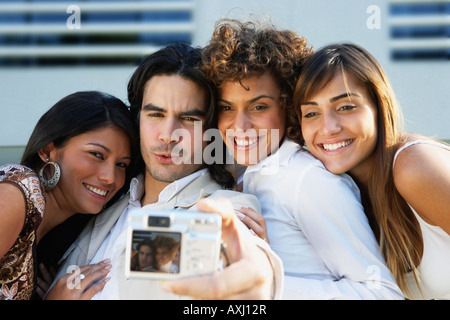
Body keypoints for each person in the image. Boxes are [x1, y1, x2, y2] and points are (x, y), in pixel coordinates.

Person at [48, 43, 283, 300]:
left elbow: (237, 255)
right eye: (156, 114)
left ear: (211, 131)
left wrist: (256, 273)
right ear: (137, 119)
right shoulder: (107, 197)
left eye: (189, 119)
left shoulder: (223, 206)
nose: (169, 135)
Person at [201, 18, 403, 299]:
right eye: (226, 108)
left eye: (259, 106)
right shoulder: (248, 175)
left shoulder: (308, 181)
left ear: (288, 107)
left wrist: (269, 285)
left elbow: (382, 293)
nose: (240, 125)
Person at [291, 43, 450, 300]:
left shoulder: (414, 167)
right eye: (311, 113)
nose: (328, 127)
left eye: (345, 107)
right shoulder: (332, 192)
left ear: (378, 106)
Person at [0, 91, 140, 300]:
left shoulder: (57, 242)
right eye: (96, 155)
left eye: (121, 165)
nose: (110, 178)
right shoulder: (18, 191)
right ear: (48, 150)